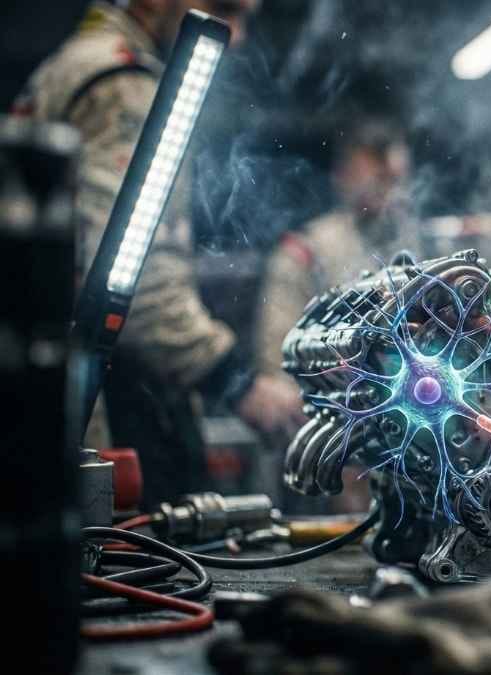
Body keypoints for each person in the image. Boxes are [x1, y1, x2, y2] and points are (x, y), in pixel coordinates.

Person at [13, 0, 305, 507]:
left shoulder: (74, 63)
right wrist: (239, 382)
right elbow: (131, 277)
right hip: (105, 410)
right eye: (224, 8)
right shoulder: (120, 83)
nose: (236, 35)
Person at [256, 121, 414, 378]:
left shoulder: (425, 243)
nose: (388, 193)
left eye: (395, 180)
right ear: (342, 176)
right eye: (377, 180)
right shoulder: (304, 255)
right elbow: (278, 366)